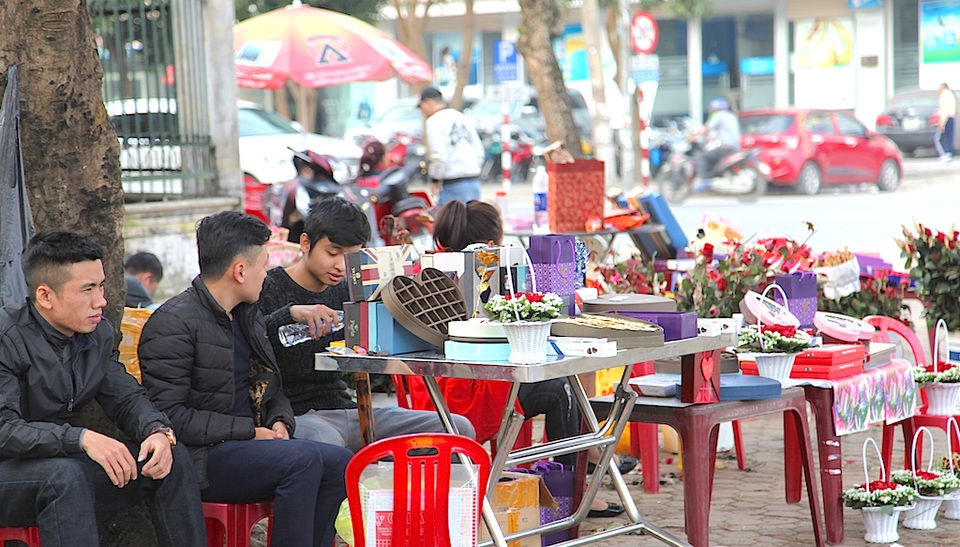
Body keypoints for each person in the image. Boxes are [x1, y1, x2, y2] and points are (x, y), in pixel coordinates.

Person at [138, 211, 352, 547]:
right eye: (263, 265)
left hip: (248, 446)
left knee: (340, 463)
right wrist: (250, 432)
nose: (266, 274)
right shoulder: (172, 324)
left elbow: (271, 384)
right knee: (303, 460)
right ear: (240, 271)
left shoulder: (247, 316)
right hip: (202, 457)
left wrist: (280, 420)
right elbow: (170, 417)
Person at [430, 200, 637, 518]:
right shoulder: (487, 274)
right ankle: (574, 491)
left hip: (438, 390)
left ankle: (586, 460)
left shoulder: (431, 271)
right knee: (561, 390)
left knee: (560, 382)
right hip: (469, 393)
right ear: (490, 245)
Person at [0, 229, 205, 546]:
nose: (101, 301)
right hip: (11, 473)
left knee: (169, 458)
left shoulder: (97, 335)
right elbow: (4, 429)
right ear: (45, 296)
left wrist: (156, 430)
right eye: (87, 289)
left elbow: (125, 398)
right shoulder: (7, 338)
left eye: (101, 286)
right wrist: (80, 438)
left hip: (58, 465)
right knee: (65, 476)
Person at [258, 197, 476, 451]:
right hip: (298, 415)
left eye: (351, 258)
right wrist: (290, 313)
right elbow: (247, 340)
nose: (341, 266)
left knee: (457, 430)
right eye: (332, 253)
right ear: (306, 243)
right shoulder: (268, 287)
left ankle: (396, 475)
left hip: (350, 409)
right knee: (329, 445)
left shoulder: (350, 291)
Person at [418, 87, 484, 207]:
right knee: (472, 217)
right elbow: (479, 152)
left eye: (422, 107)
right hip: (474, 182)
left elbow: (439, 156)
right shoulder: (463, 118)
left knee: (449, 219)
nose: (422, 111)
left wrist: (435, 178)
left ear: (429, 102)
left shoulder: (434, 121)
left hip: (453, 184)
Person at [693, 97, 741, 189]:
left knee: (701, 157)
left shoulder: (718, 116)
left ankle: (704, 180)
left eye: (712, 107)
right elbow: (720, 133)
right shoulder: (730, 116)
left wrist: (693, 137)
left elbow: (706, 129)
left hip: (726, 148)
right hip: (734, 147)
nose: (711, 109)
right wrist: (710, 138)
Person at [936, 83, 956, 163]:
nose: (938, 90)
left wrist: (942, 123)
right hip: (951, 117)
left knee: (941, 138)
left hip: (946, 118)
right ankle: (950, 153)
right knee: (950, 137)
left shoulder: (943, 96)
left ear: (943, 88)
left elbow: (944, 110)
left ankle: (945, 154)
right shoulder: (951, 94)